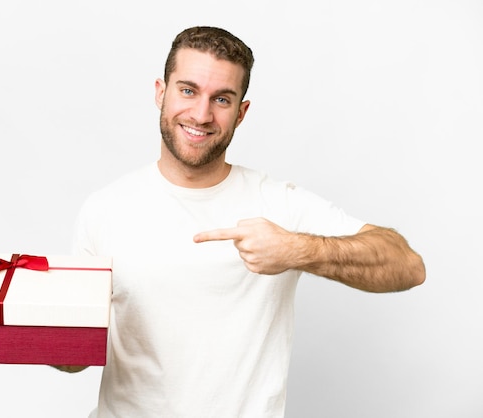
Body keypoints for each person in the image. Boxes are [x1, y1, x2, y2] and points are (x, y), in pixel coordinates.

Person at [55, 26, 426, 418]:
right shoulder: (105, 209)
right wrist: (36, 331)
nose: (201, 113)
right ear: (160, 92)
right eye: (187, 90)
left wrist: (298, 250)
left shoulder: (276, 202)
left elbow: (408, 266)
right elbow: (75, 357)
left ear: (241, 112)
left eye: (221, 99)